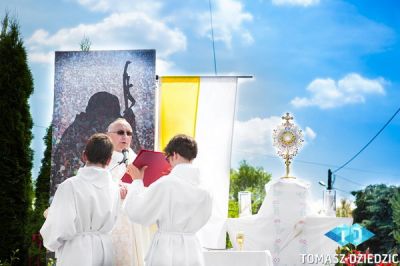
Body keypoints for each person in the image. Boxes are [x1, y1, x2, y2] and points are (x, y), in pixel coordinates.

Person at [124, 134, 212, 266]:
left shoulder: (166, 184)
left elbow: (138, 213)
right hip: (192, 249)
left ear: (174, 155)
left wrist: (137, 181)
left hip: (167, 250)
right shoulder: (206, 190)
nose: (169, 163)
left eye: (167, 158)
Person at [40, 133, 121, 265]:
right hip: (104, 250)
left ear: (84, 156)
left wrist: (51, 216)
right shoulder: (114, 188)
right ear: (109, 160)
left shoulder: (70, 185)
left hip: (77, 252)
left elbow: (59, 229)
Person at [107, 118, 151, 266]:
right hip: (112, 222)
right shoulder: (102, 160)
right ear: (108, 136)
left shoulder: (137, 161)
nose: (125, 136)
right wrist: (115, 189)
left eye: (129, 133)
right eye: (120, 132)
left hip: (135, 223)